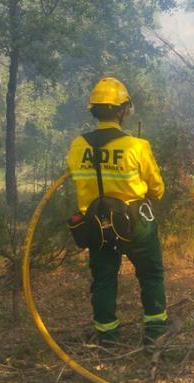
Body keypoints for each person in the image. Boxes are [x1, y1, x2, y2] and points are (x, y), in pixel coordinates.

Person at [66, 77, 168, 346]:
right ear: (124, 111)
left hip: (96, 227)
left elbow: (78, 181)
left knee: (103, 281)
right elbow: (157, 189)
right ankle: (156, 334)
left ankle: (108, 341)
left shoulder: (78, 146)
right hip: (135, 223)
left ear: (94, 111)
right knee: (151, 274)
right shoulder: (137, 146)